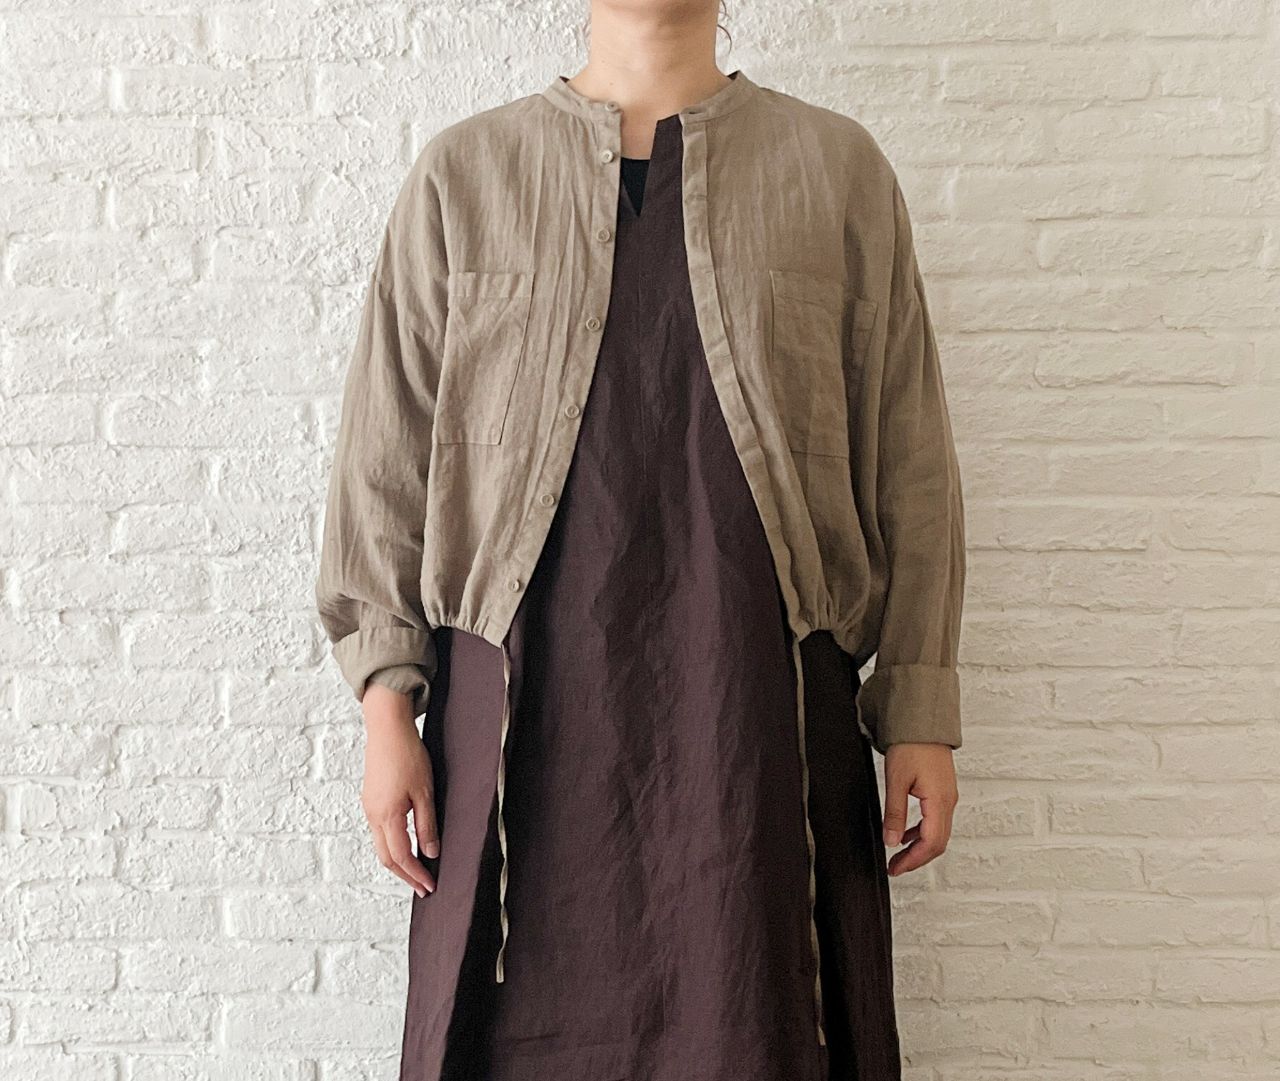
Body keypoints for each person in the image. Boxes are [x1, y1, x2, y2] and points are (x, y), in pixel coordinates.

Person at [315, 3, 966, 1079]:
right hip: (519, 724)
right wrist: (388, 710)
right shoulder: (464, 178)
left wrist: (920, 713)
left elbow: (910, 462)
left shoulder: (834, 173)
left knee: (761, 1027)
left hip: (760, 726)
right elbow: (384, 460)